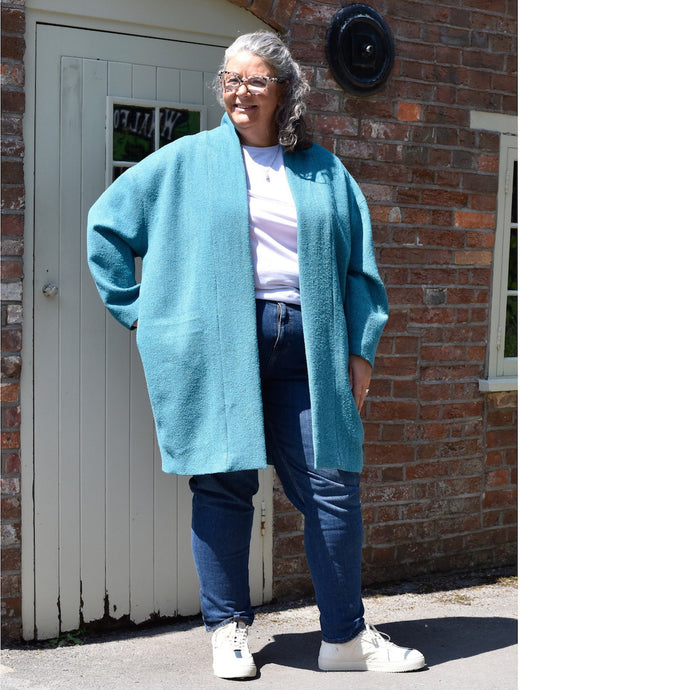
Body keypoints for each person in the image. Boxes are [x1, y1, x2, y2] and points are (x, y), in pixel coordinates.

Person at [87, 31, 425, 679]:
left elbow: (359, 268)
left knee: (332, 487)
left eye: (254, 80)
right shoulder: (185, 161)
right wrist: (143, 316)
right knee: (223, 483)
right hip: (222, 344)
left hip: (311, 345)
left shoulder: (324, 169)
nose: (239, 92)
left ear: (284, 91)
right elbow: (108, 228)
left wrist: (361, 350)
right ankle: (228, 631)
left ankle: (344, 639)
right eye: (230, 79)